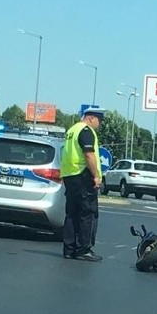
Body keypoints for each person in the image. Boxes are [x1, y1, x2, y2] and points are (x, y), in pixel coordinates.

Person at [60, 105, 105, 261]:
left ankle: (68, 249)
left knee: (71, 214)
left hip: (70, 176)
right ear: (91, 118)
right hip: (83, 176)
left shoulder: (72, 130)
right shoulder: (86, 131)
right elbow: (89, 155)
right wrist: (96, 176)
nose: (100, 124)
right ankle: (83, 249)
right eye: (99, 120)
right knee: (87, 213)